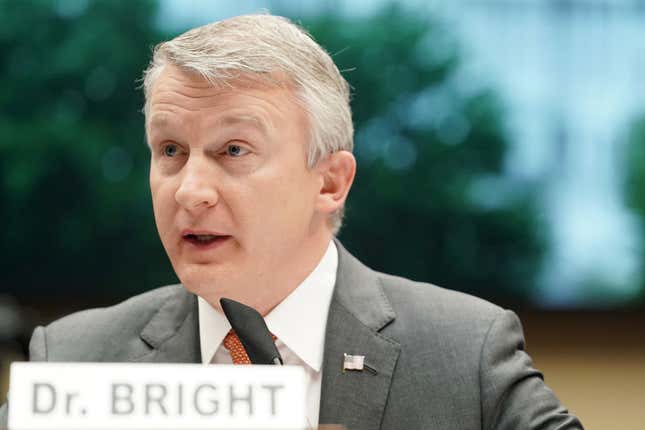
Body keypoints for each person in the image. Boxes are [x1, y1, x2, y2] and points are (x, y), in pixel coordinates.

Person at [0, 14, 583, 430]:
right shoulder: (73, 358)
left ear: (329, 182)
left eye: (233, 151)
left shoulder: (465, 352)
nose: (191, 191)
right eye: (171, 151)